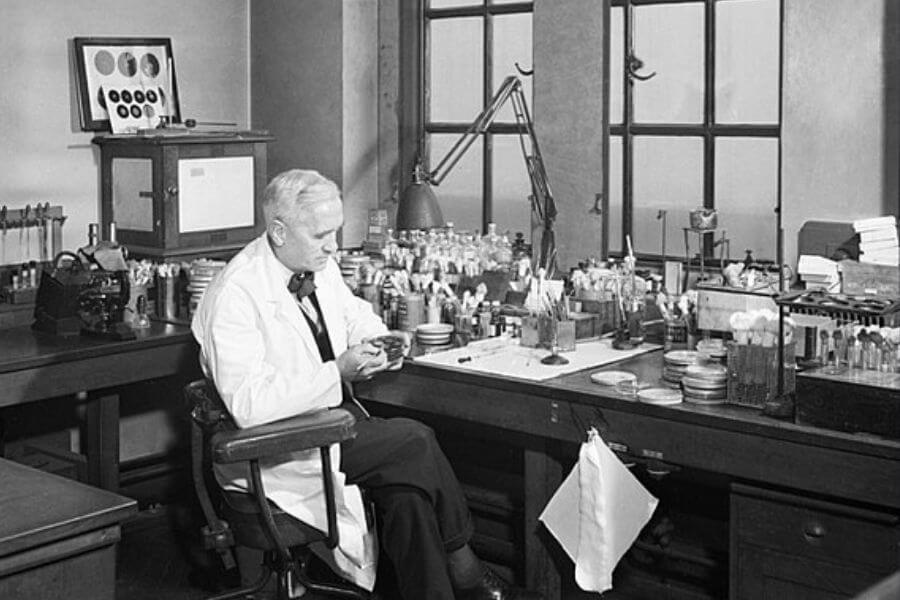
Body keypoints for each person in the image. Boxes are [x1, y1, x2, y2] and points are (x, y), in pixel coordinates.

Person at [192, 169, 541, 600]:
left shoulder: (312, 262)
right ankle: (465, 567)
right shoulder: (235, 294)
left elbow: (351, 311)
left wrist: (378, 337)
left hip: (324, 425)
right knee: (414, 441)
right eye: (322, 234)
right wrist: (337, 371)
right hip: (274, 447)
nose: (333, 245)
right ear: (279, 231)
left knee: (408, 493)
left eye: (336, 232)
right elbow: (249, 405)